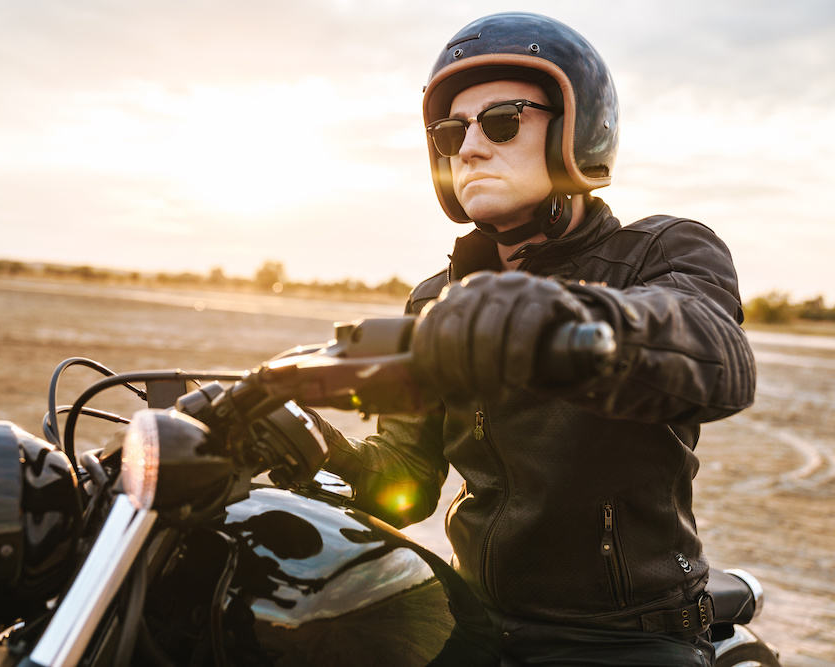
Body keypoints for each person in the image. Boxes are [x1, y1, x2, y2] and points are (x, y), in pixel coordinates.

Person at [309, 12, 756, 666]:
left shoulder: (664, 251)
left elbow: (715, 355)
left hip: (625, 632)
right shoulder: (437, 297)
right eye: (450, 131)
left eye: (501, 121)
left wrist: (557, 324)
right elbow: (406, 477)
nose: (468, 148)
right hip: (474, 616)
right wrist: (328, 456)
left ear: (577, 129)